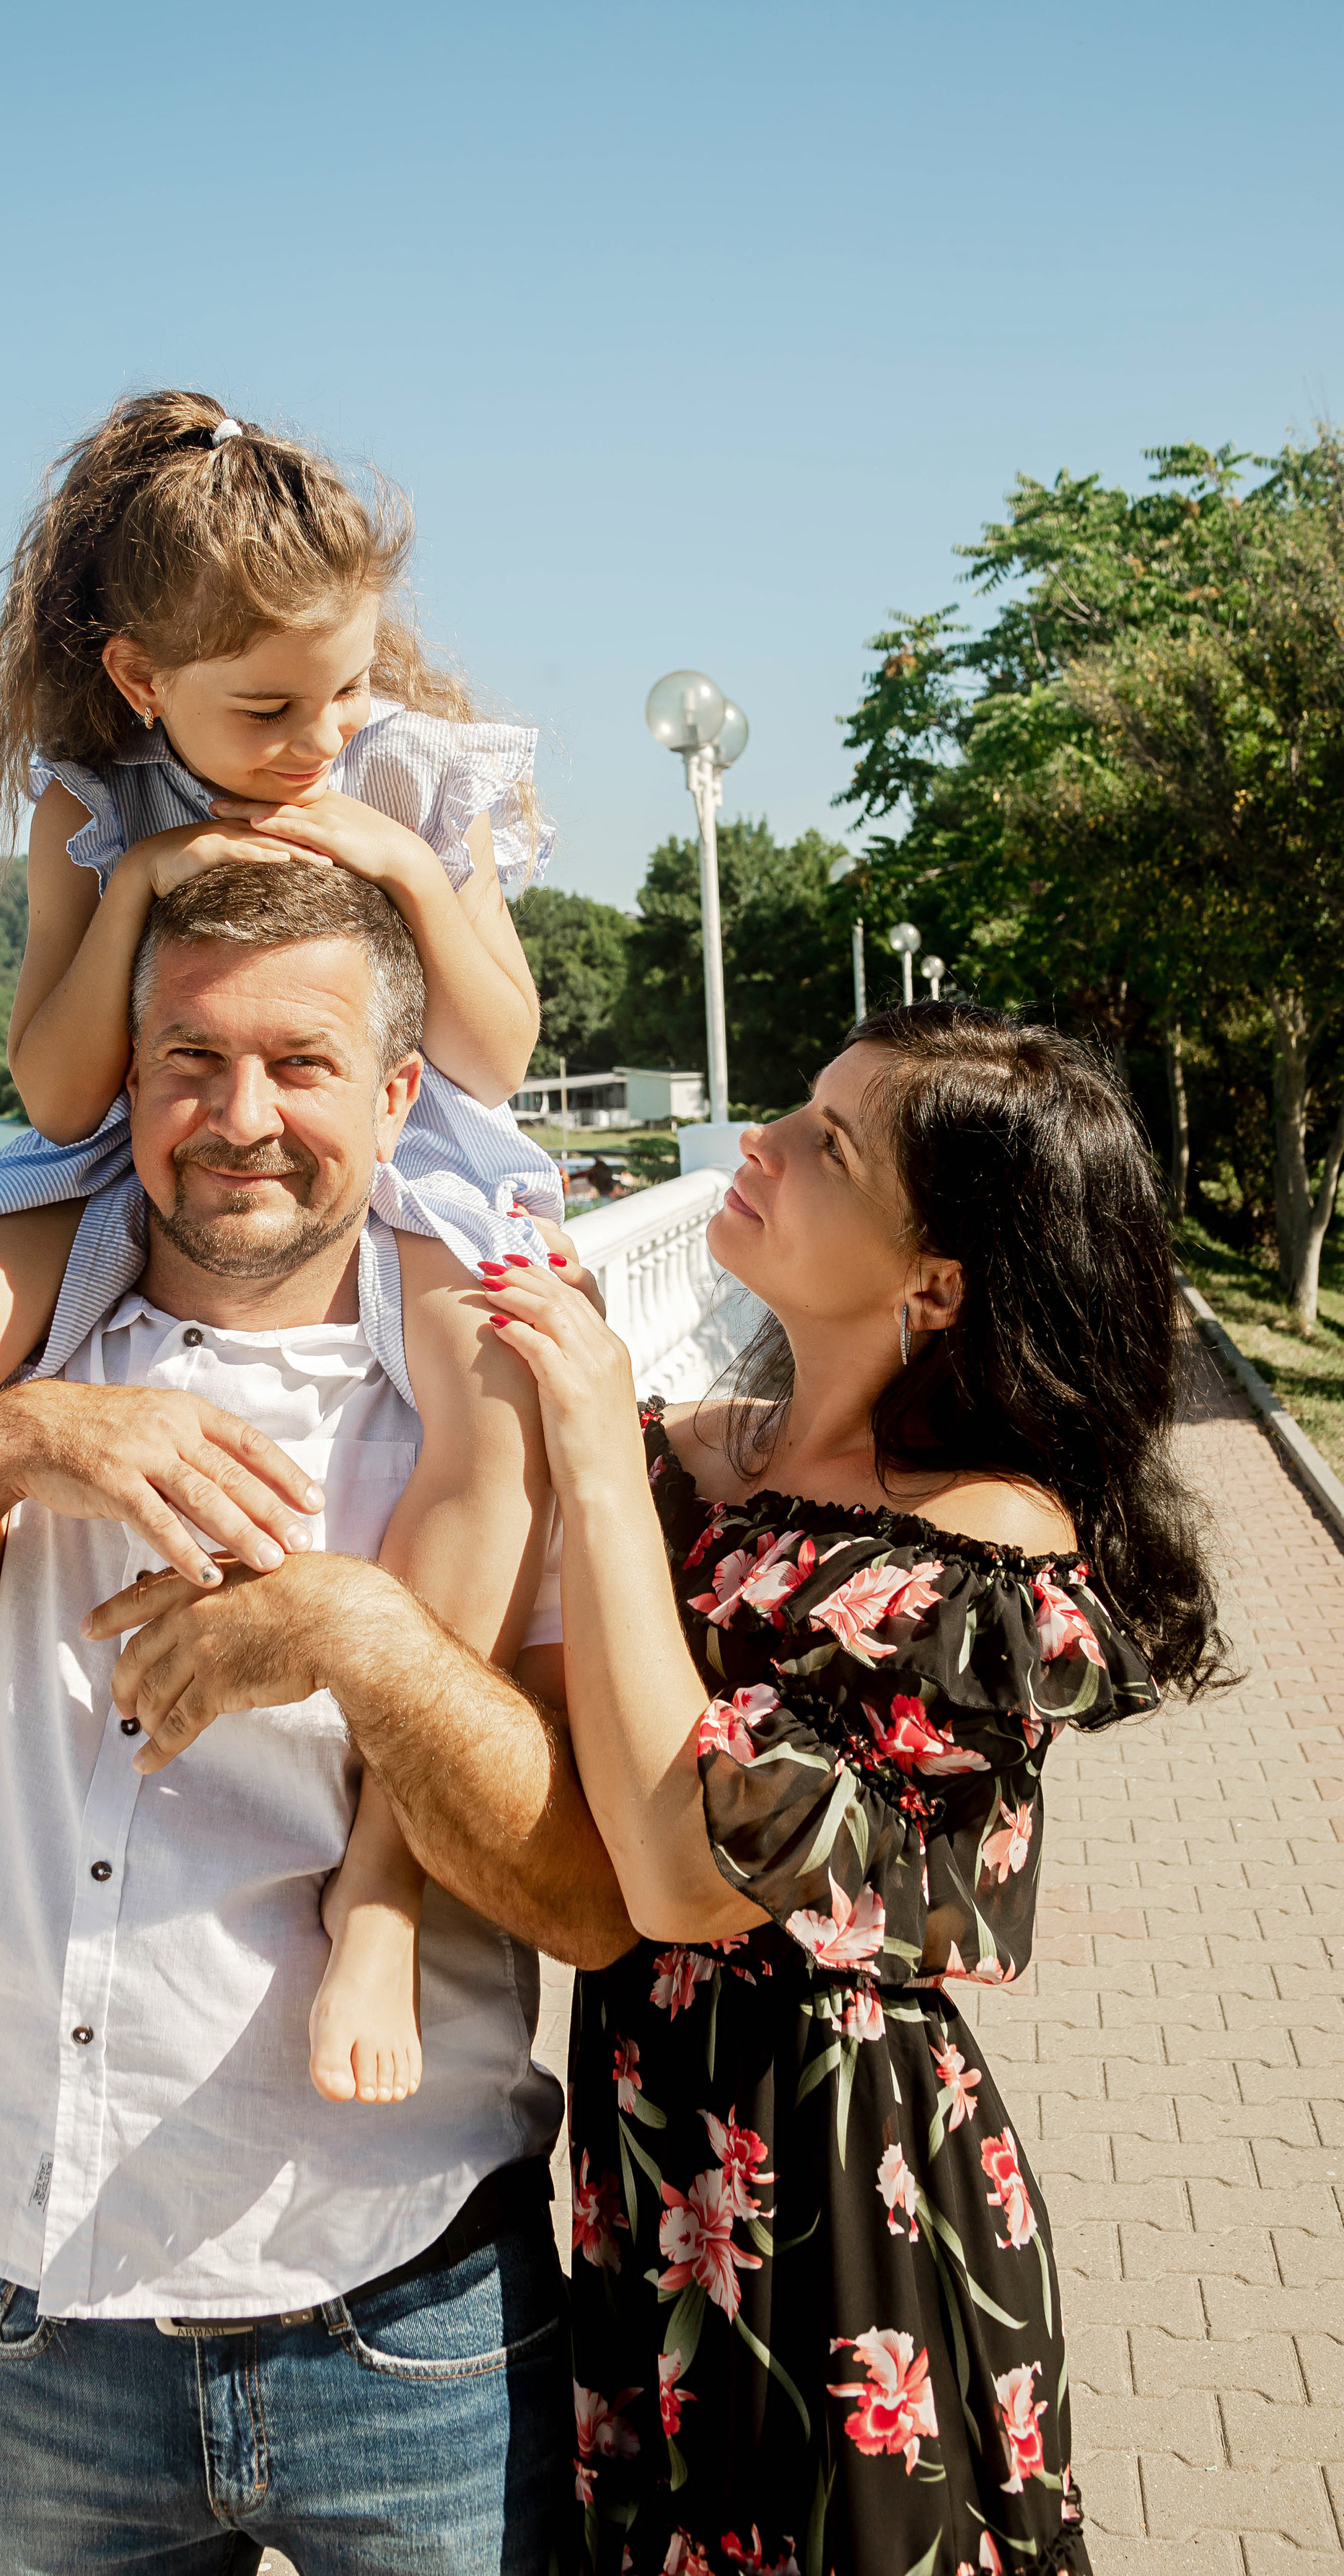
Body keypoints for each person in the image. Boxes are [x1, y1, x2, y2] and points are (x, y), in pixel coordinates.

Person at [0, 860, 632, 2575]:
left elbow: (587, 1900)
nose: (238, 1116)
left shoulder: (476, 1378)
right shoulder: (19, 1340)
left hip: (407, 2307)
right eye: (189, 1057)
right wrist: (8, 1449)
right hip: (58, 2322)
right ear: (123, 1078)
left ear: (400, 1097)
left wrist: (350, 1629)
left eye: (300, 1064)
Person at [0, 388, 568, 2121]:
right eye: (267, 707)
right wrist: (148, 878)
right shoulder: (92, 804)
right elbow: (59, 1079)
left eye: (343, 688)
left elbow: (498, 1050)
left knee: (489, 1376)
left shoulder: (394, 776)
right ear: (143, 681)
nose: (316, 735)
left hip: (399, 1147)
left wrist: (403, 858)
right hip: (130, 1142)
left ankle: (381, 1881)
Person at [444, 1005, 1228, 2575]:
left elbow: (676, 1871)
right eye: (793, 1110)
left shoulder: (976, 1551)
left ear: (933, 1283)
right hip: (653, 2152)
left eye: (826, 1144)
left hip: (818, 2191)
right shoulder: (720, 1468)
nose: (762, 1145)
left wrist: (598, 1454)